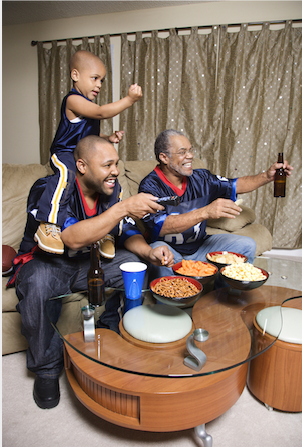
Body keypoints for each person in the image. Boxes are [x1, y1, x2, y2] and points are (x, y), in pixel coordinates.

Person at [8, 135, 173, 410]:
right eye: (108, 165)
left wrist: (148, 253)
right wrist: (124, 208)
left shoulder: (111, 190)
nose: (116, 171)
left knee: (133, 264)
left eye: (116, 164)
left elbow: (126, 231)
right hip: (48, 264)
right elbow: (71, 238)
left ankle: (111, 334)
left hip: (89, 262)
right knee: (37, 283)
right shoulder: (51, 187)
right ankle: (46, 369)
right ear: (82, 166)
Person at [139, 129, 293, 281]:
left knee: (247, 245)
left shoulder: (201, 178)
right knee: (157, 251)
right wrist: (205, 212)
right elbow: (160, 226)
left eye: (191, 150)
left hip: (201, 247)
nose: (190, 156)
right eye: (182, 152)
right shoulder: (149, 186)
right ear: (164, 157)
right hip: (171, 252)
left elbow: (235, 185)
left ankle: (222, 297)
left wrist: (266, 176)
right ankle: (169, 303)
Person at [34, 50, 143, 258]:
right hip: (65, 152)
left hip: (82, 153)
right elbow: (101, 112)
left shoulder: (87, 107)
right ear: (75, 75)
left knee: (111, 182)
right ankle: (49, 224)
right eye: (94, 78)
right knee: (67, 174)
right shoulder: (73, 100)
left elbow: (89, 135)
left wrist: (108, 137)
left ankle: (106, 234)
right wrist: (129, 100)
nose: (99, 85)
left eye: (101, 80)